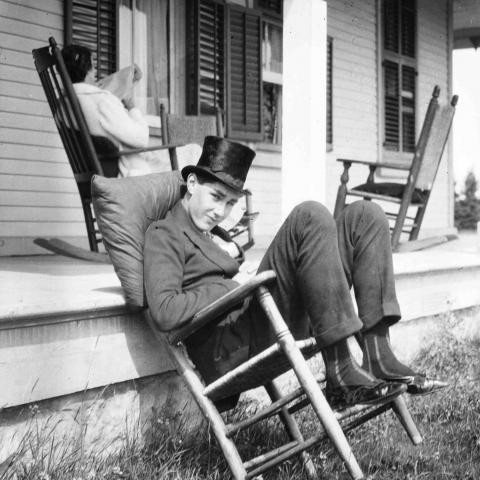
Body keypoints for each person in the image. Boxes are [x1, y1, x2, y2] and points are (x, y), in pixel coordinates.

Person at [144, 138, 447, 410]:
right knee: (309, 216)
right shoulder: (165, 234)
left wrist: (241, 275)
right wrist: (233, 286)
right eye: (216, 197)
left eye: (231, 203)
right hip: (232, 346)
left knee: (366, 217)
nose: (221, 211)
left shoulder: (214, 233)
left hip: (261, 321)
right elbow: (165, 310)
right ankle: (341, 371)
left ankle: (378, 355)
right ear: (193, 183)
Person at [61, 44, 201, 178]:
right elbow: (141, 138)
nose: (95, 73)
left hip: (101, 171)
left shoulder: (64, 102)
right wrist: (131, 106)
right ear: (87, 70)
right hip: (129, 172)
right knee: (195, 152)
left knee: (188, 154)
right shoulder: (101, 101)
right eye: (93, 67)